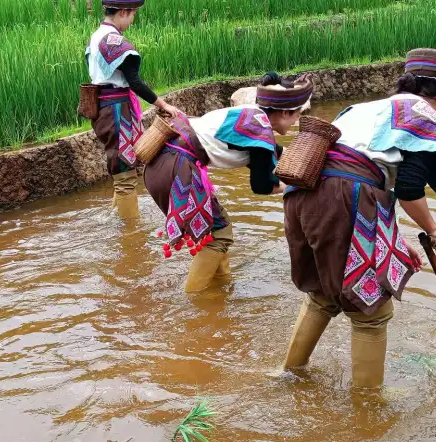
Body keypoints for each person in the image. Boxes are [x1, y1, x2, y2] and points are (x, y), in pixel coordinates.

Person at [281, 49, 436, 389]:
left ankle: (288, 374)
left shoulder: (367, 109)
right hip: (342, 199)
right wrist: (434, 228)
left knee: (322, 295)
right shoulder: (422, 116)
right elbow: (407, 188)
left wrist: (395, 240)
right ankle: (368, 412)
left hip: (303, 196)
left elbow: (368, 176)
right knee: (370, 313)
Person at [144, 73, 312, 293]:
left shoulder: (252, 116)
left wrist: (301, 158)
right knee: (220, 235)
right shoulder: (261, 135)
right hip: (177, 170)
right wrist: (296, 186)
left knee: (216, 230)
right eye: (297, 115)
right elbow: (261, 185)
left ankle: (220, 293)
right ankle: (193, 303)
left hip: (161, 163)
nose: (296, 122)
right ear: (283, 112)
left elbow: (268, 151)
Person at [85, 0, 182, 220]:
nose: (132, 20)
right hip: (117, 111)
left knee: (121, 168)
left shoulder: (96, 36)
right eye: (133, 14)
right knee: (125, 175)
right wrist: (164, 105)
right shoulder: (113, 40)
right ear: (124, 11)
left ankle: (115, 218)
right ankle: (131, 234)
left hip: (104, 109)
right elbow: (135, 83)